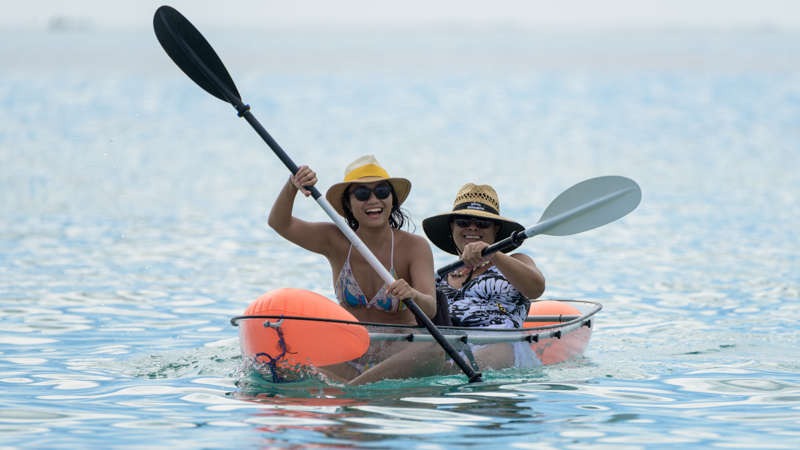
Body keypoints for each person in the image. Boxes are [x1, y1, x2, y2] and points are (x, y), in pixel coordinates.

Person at [267, 154, 438, 383]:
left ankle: (352, 390)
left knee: (434, 351)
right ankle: (353, 388)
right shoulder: (334, 239)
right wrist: (292, 185)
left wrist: (412, 294)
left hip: (397, 354)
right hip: (348, 350)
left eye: (382, 192)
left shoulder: (414, 246)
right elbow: (280, 223)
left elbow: (430, 308)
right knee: (281, 356)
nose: (373, 200)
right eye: (361, 194)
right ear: (348, 204)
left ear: (392, 199)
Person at [422, 183, 546, 369]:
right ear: (452, 227)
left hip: (502, 348)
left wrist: (493, 254)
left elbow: (536, 289)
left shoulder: (516, 261)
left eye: (482, 224)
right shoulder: (439, 277)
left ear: (495, 229)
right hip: (450, 349)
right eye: (463, 223)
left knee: (498, 349)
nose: (472, 228)